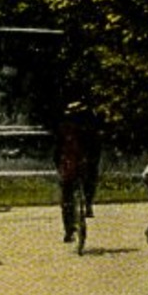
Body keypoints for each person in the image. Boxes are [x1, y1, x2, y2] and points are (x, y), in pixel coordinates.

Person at [55, 103, 101, 243]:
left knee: (66, 198)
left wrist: (59, 166)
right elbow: (96, 149)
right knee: (89, 181)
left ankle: (69, 230)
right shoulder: (89, 128)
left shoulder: (64, 128)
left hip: (70, 165)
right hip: (82, 165)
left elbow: (57, 151)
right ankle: (87, 205)